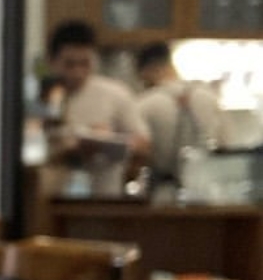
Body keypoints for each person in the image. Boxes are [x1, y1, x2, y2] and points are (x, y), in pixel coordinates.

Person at [42, 19, 151, 196]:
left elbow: (144, 145)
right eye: (69, 64)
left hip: (104, 195)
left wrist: (108, 139)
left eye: (85, 63)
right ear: (52, 62)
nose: (77, 72)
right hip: (50, 197)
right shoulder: (43, 97)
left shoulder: (114, 94)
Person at [134, 40, 225, 184]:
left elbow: (138, 153)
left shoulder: (145, 104)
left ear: (146, 71)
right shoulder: (209, 97)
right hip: (206, 188)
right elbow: (226, 145)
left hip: (164, 189)